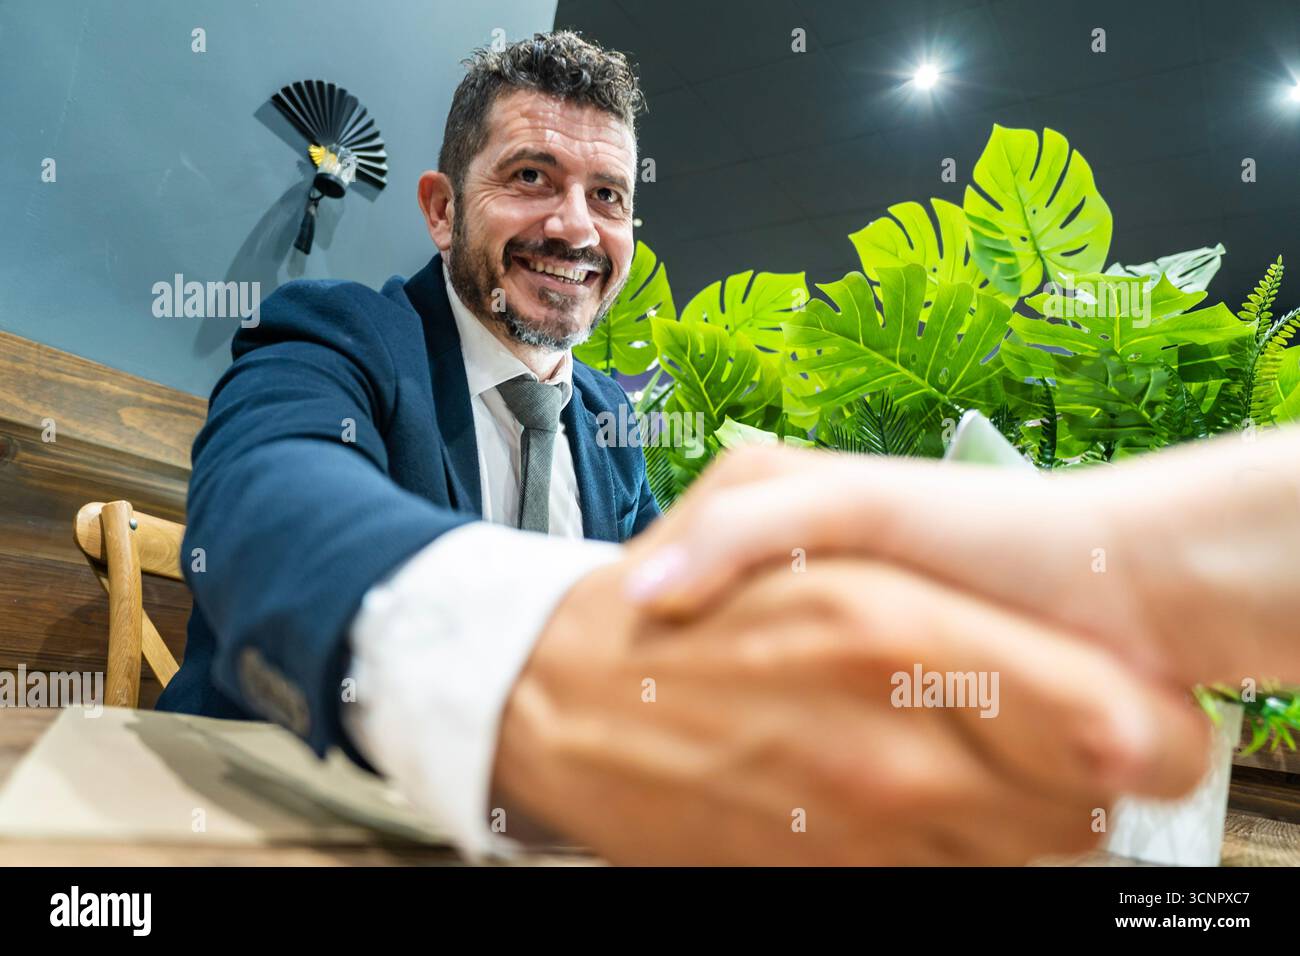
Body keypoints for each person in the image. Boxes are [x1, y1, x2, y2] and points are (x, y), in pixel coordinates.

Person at [157, 30, 1209, 865]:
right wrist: (530, 666)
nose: (574, 226)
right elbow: (264, 496)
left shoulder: (613, 419)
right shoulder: (340, 335)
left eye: (607, 196)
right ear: (441, 210)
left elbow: (676, 607)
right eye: (530, 176)